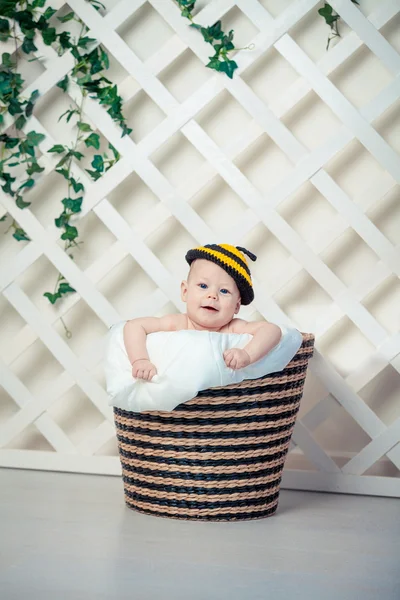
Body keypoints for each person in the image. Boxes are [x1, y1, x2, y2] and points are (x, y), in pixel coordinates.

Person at [123, 243, 282, 381]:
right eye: (203, 286)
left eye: (224, 291)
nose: (212, 295)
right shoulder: (178, 323)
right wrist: (140, 360)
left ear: (236, 306)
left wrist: (247, 355)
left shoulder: (232, 328)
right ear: (185, 291)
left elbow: (272, 330)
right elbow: (134, 326)